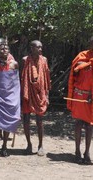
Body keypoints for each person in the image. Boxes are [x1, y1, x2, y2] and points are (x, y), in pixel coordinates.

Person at [0, 38, 21, 157]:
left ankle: (5, 146)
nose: (5, 50)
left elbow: (16, 82)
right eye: (2, 48)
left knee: (8, 120)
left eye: (6, 48)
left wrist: (16, 97)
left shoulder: (14, 64)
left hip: (10, 97)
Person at [21, 40, 51, 156]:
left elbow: (47, 79)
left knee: (39, 120)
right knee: (26, 119)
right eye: (38, 47)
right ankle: (29, 144)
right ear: (32, 48)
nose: (40, 49)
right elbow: (21, 77)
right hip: (28, 93)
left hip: (40, 93)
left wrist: (47, 95)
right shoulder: (25, 60)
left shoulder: (44, 60)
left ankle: (40, 145)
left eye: (41, 47)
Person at [67, 36, 93, 165]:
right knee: (78, 123)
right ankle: (77, 151)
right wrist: (84, 66)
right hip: (79, 95)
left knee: (89, 126)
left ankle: (87, 153)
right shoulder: (82, 56)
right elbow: (75, 71)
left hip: (91, 97)